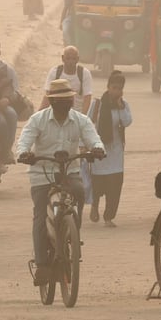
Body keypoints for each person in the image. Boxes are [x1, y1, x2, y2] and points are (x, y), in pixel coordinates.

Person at [16, 79, 105, 285]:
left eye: (69, 100)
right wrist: (24, 153)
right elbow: (24, 141)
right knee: (39, 216)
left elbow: (93, 138)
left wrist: (97, 149)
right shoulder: (38, 120)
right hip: (42, 173)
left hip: (69, 171)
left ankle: (72, 233)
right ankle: (42, 265)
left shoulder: (81, 120)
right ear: (52, 102)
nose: (67, 105)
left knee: (79, 192)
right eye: (62, 101)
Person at [87, 71, 132, 228]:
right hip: (99, 151)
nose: (116, 91)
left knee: (115, 185)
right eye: (114, 87)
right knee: (98, 184)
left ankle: (108, 217)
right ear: (108, 87)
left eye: (120, 88)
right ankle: (94, 206)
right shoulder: (98, 104)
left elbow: (127, 122)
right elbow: (88, 124)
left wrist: (120, 107)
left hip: (116, 152)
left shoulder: (123, 105)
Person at [40, 46, 93, 115]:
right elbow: (48, 96)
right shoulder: (55, 72)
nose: (70, 62)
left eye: (73, 59)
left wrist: (82, 118)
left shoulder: (84, 74)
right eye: (68, 58)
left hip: (77, 113)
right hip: (57, 113)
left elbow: (87, 98)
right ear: (63, 58)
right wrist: (39, 115)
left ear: (77, 59)